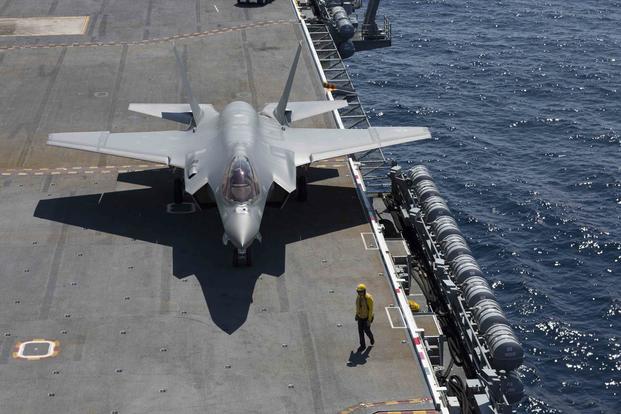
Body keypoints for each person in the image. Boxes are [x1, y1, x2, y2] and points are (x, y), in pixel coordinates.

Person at [355, 283, 375, 349]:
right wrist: (356, 314)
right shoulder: (358, 297)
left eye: (361, 291)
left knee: (366, 330)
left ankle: (371, 338)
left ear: (364, 291)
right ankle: (362, 346)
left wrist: (369, 320)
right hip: (360, 317)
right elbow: (357, 307)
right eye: (358, 292)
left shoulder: (368, 298)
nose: (360, 293)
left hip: (367, 317)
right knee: (360, 332)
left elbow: (371, 309)